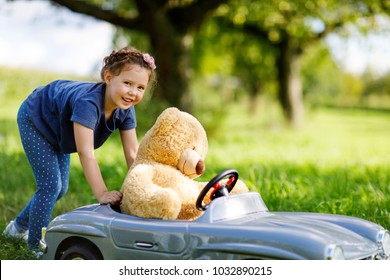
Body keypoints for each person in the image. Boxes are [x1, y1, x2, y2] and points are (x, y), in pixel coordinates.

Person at [3, 46, 157, 254]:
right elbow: (86, 153)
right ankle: (35, 247)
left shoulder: (125, 110)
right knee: (50, 186)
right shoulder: (88, 104)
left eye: (140, 87)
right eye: (127, 83)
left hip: (59, 128)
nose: (133, 92)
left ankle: (17, 228)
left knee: (61, 188)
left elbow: (132, 154)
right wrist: (102, 193)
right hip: (37, 118)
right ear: (109, 77)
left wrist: (144, 188)